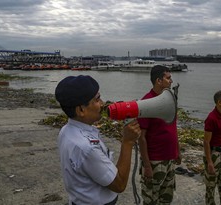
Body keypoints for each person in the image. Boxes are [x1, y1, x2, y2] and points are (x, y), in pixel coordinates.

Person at [55, 75, 141, 205]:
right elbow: (119, 185)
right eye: (97, 99)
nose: (102, 104)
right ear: (81, 110)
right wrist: (127, 142)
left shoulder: (66, 130)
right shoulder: (86, 148)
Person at [138, 65, 181, 205]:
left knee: (166, 199)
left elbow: (173, 128)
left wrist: (177, 151)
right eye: (168, 78)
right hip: (155, 161)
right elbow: (141, 137)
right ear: (158, 81)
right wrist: (147, 165)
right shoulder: (147, 103)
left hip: (170, 159)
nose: (171, 81)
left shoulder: (170, 100)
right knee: (151, 199)